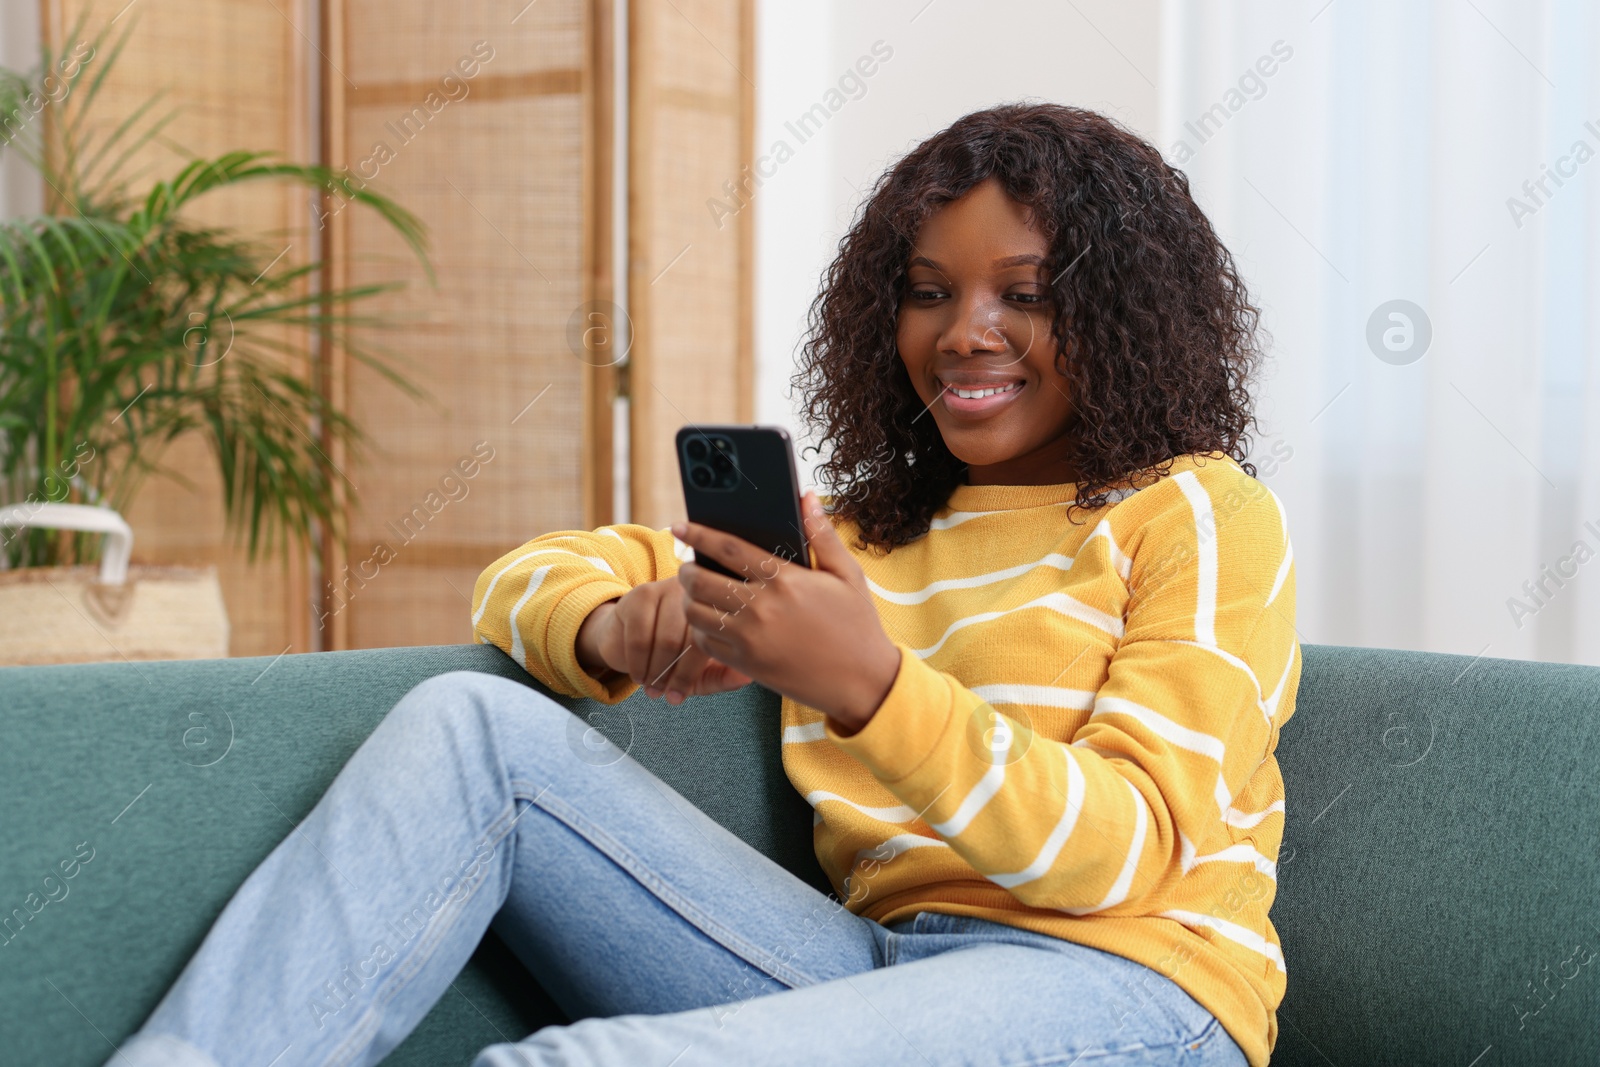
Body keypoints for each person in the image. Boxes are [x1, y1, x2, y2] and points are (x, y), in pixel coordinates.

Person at [114, 102, 1296, 1067]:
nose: (963, 332)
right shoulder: (856, 532)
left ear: (1125, 311)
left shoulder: (1193, 511)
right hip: (864, 962)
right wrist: (621, 623)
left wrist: (872, 688)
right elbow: (524, 577)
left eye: (1022, 294)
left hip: (1131, 990)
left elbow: (1123, 854)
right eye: (928, 291)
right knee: (470, 725)